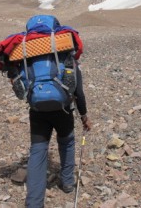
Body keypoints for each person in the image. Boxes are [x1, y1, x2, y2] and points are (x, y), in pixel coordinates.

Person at [23, 61, 91, 207]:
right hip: (63, 111)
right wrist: (84, 117)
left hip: (37, 110)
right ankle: (67, 183)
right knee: (67, 142)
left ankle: (34, 203)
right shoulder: (67, 58)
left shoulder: (30, 59)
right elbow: (78, 93)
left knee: (38, 151)